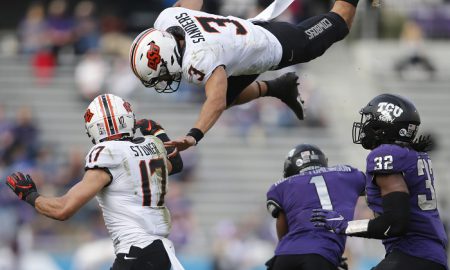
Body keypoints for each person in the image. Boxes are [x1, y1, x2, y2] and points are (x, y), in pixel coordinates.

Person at [129, 0, 362, 153]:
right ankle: (279, 88)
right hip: (239, 48)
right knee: (229, 96)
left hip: (272, 44)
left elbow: (215, 101)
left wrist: (193, 136)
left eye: (161, 74)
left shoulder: (197, 58)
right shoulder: (167, 19)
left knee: (341, 21)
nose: (165, 79)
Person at [5, 94, 185, 270]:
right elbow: (175, 163)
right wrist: (158, 131)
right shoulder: (151, 145)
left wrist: (30, 195)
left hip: (136, 252)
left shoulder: (107, 153)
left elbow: (62, 209)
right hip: (162, 252)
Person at [311, 94, 448, 270]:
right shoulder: (411, 155)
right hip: (426, 255)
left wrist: (345, 226)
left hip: (413, 254)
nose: (366, 125)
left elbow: (395, 223)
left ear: (384, 124)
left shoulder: (385, 154)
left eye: (370, 119)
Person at [265, 144, 366, 270]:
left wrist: (283, 249)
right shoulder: (347, 174)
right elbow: (376, 186)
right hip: (321, 254)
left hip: (285, 255)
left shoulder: (281, 186)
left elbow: (282, 223)